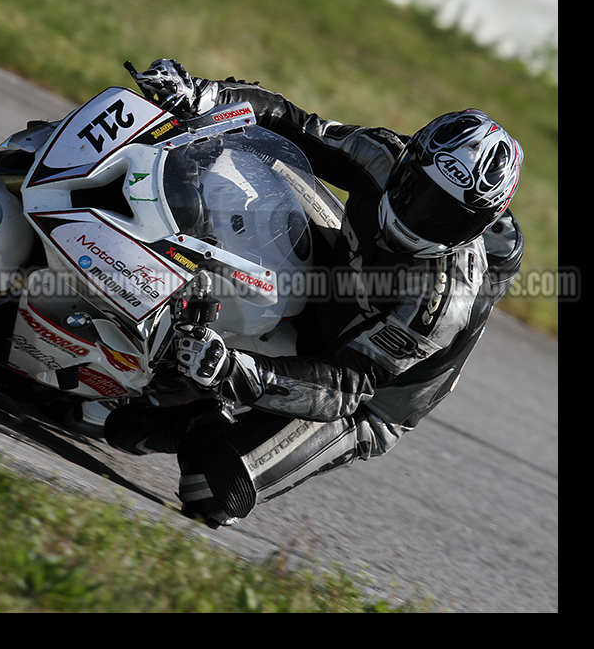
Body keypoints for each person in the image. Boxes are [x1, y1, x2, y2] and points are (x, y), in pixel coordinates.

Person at [104, 59, 525, 527]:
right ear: (409, 162)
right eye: (421, 194)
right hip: (335, 279)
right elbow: (295, 125)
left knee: (211, 489)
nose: (423, 221)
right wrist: (203, 95)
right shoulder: (384, 156)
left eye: (450, 219)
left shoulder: (441, 301)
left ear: (478, 228)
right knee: (233, 161)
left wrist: (235, 371)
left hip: (364, 398)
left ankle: (198, 414)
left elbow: (345, 384)